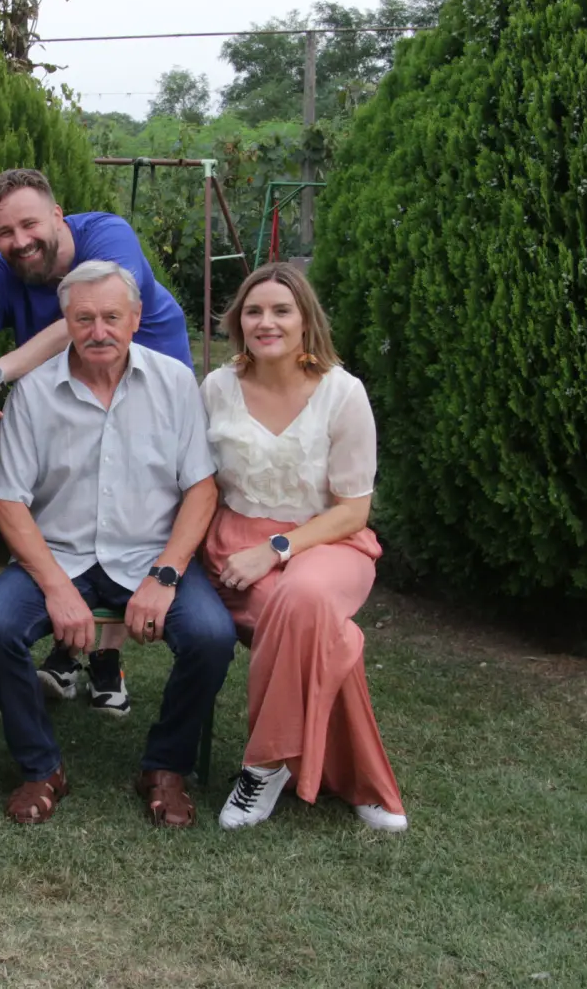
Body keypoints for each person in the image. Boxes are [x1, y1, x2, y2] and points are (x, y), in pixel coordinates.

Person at [0, 260, 236, 828]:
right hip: (57, 554)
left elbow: (201, 489)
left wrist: (165, 575)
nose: (98, 331)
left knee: (212, 636)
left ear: (135, 319)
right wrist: (57, 588)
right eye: (83, 318)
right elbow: (7, 502)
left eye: (112, 317)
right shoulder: (33, 393)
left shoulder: (174, 382)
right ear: (65, 322)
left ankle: (165, 767)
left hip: (150, 554)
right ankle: (42, 767)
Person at [0, 168, 193, 717]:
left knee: (133, 509)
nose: (20, 241)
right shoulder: (3, 272)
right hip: (72, 388)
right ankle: (74, 648)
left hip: (150, 380)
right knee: (79, 501)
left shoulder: (108, 234)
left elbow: (85, 321)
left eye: (29, 224)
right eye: (4, 232)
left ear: (57, 215)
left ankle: (104, 658)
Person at [199, 262, 407, 832]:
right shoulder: (217, 388)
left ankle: (263, 766)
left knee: (304, 600)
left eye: (281, 310)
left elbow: (353, 510)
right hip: (235, 546)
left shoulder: (343, 393)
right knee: (327, 635)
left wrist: (277, 549)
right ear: (239, 322)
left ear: (305, 320)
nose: (266, 322)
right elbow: (197, 483)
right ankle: (361, 781)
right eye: (254, 311)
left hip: (329, 540)